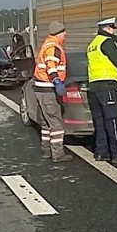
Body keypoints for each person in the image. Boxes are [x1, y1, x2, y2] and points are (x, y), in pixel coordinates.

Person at [86, 17, 117, 164]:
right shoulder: (107, 42)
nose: (115, 30)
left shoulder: (93, 44)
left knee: (100, 121)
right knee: (113, 120)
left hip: (93, 87)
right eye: (113, 27)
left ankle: (101, 152)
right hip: (106, 85)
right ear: (107, 28)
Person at [32, 21, 74, 163]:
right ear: (58, 33)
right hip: (48, 88)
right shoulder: (54, 47)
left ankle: (46, 150)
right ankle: (58, 154)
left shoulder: (46, 44)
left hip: (40, 88)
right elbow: (51, 66)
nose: (65, 34)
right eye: (64, 32)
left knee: (46, 122)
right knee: (55, 122)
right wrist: (56, 81)